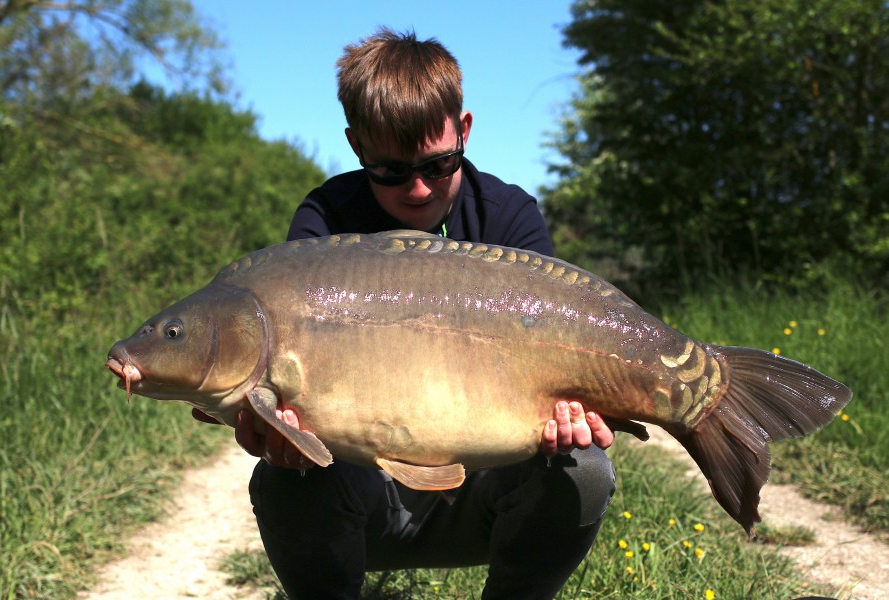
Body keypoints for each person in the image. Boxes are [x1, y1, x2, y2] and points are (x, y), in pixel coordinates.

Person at [194, 27, 616, 600]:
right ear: (357, 146)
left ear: (464, 131)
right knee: (284, 477)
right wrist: (272, 431)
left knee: (583, 468)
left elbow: (561, 357)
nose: (417, 189)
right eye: (391, 171)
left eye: (439, 165)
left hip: (486, 499)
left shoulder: (509, 215)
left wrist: (571, 417)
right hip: (367, 505)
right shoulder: (323, 222)